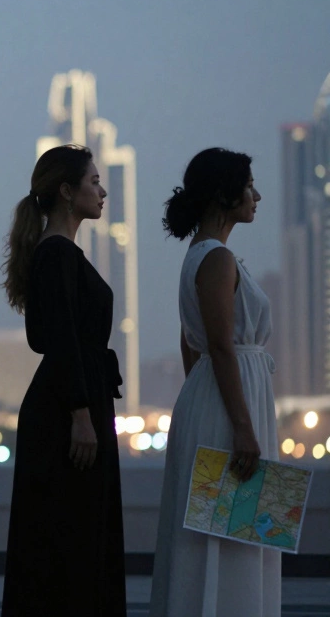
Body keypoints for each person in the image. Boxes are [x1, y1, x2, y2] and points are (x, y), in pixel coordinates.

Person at [149, 148, 279, 616]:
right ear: (225, 194)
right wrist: (242, 426)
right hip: (230, 404)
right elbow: (219, 346)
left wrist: (203, 396)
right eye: (249, 186)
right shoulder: (217, 258)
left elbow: (192, 343)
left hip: (216, 395)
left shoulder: (202, 255)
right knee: (234, 529)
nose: (257, 196)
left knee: (223, 527)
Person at [0, 144, 125, 617]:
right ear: (68, 192)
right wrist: (81, 415)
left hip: (75, 399)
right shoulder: (56, 255)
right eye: (94, 181)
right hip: (68, 409)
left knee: (71, 534)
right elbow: (60, 338)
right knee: (68, 536)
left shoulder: (59, 253)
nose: (102, 190)